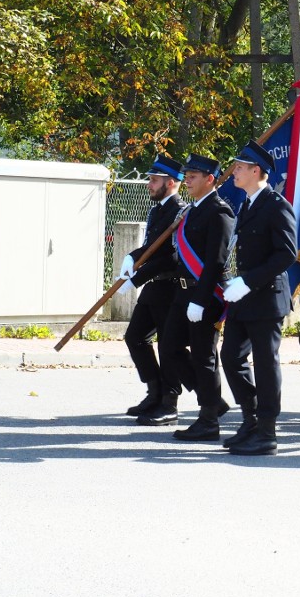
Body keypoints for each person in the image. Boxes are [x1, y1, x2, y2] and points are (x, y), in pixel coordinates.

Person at [138, 153, 235, 439]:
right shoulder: (190, 211)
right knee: (169, 350)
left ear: (210, 180)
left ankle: (208, 420)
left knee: (205, 356)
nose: (188, 181)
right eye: (187, 176)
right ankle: (214, 402)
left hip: (205, 296)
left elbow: (216, 263)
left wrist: (202, 300)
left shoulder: (220, 212)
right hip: (183, 293)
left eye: (193, 177)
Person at [219, 141, 297, 455]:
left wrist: (248, 281)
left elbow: (287, 254)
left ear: (256, 171)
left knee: (265, 364)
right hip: (244, 297)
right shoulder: (248, 203)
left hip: (265, 298)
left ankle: (267, 431)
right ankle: (251, 418)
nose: (234, 171)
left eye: (239, 167)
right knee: (231, 357)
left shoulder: (276, 205)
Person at [118, 155, 188, 418]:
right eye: (149, 179)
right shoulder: (158, 209)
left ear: (170, 183)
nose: (149, 184)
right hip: (154, 288)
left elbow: (170, 255)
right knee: (135, 337)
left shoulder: (179, 211)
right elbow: (151, 247)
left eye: (154, 180)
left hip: (169, 288)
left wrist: (136, 278)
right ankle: (154, 391)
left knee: (168, 346)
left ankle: (170, 402)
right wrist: (133, 256)